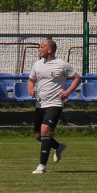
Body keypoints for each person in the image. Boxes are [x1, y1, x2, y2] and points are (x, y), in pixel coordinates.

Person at [28, 38, 81, 174]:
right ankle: (58, 146)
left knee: (45, 130)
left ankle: (42, 166)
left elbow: (77, 78)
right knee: (39, 136)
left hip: (55, 103)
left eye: (42, 47)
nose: (39, 49)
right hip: (40, 103)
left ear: (49, 50)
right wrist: (31, 89)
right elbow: (31, 80)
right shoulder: (37, 64)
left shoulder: (62, 64)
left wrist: (67, 92)